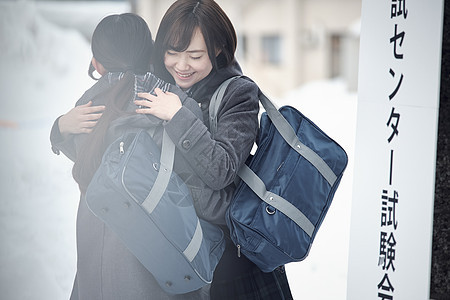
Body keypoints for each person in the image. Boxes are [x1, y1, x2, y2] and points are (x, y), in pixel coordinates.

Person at [134, 1, 293, 299]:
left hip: (230, 259)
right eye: (172, 53)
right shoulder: (158, 84)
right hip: (175, 247)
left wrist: (178, 116)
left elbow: (222, 170)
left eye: (194, 55)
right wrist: (63, 129)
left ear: (218, 49)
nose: (181, 65)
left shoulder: (238, 93)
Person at [50, 13, 210, 299]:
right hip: (155, 251)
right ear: (151, 53)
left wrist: (59, 128)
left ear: (97, 64)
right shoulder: (173, 103)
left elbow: (84, 157)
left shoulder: (85, 107)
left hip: (95, 255)